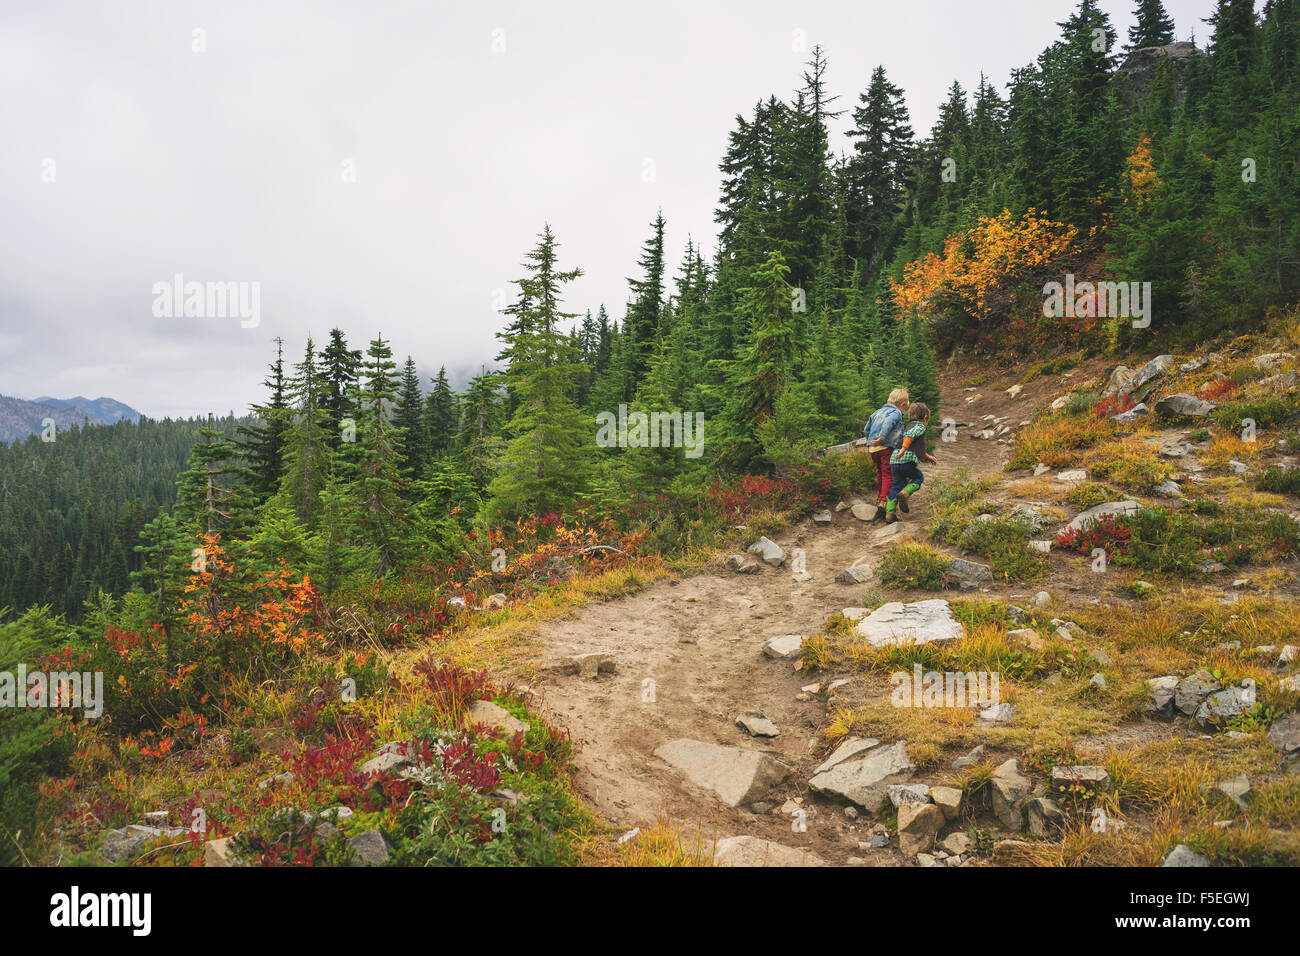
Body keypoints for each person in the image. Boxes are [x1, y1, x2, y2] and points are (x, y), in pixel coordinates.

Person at [885, 402, 938, 523]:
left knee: (896, 485)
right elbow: (910, 436)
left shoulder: (908, 425)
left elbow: (919, 451)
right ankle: (905, 493)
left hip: (894, 461)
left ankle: (889, 513)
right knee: (918, 478)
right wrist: (904, 449)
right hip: (906, 460)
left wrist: (928, 457)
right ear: (925, 418)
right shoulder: (919, 427)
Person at [863, 388, 909, 516]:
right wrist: (881, 438)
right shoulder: (896, 413)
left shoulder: (877, 412)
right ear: (902, 405)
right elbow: (889, 422)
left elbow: (866, 429)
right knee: (888, 473)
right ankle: (883, 501)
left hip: (873, 449)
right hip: (886, 447)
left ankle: (880, 497)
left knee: (881, 472)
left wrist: (871, 441)